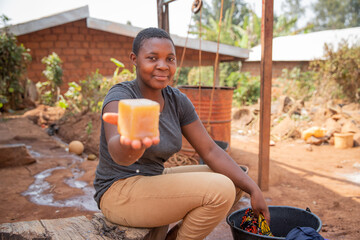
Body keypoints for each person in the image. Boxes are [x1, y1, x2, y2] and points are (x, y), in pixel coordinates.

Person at [94, 27, 270, 240]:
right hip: (118, 191)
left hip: (152, 178)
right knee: (221, 189)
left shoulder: (177, 101)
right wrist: (131, 146)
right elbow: (117, 150)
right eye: (152, 58)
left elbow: (211, 150)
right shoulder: (121, 95)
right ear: (135, 59)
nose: (163, 66)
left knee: (235, 178)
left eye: (170, 59)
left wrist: (254, 189)